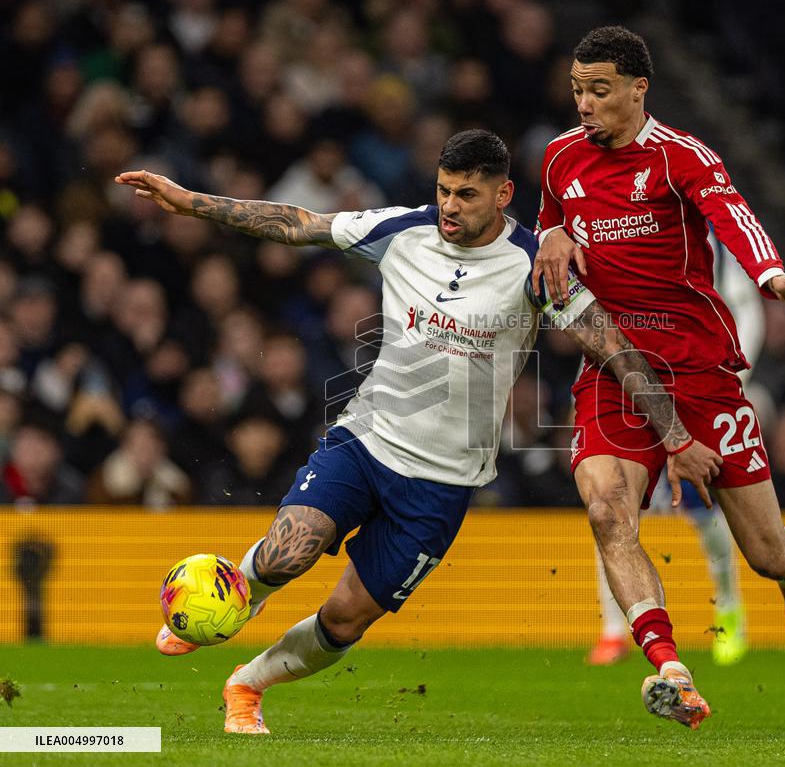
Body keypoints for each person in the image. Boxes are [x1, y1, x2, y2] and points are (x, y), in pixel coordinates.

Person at [115, 129, 722, 735]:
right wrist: (191, 200)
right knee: (288, 549)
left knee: (347, 619)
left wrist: (674, 436)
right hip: (368, 441)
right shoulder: (404, 229)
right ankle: (230, 600)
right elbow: (299, 222)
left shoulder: (535, 264)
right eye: (443, 191)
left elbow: (615, 348)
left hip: (443, 483)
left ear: (504, 194)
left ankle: (248, 683)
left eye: (466, 194)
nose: (450, 207)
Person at [532, 27, 785, 729]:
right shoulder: (559, 158)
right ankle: (670, 666)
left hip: (700, 373)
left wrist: (773, 276)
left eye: (599, 90)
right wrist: (548, 232)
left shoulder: (681, 156)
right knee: (606, 507)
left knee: (766, 554)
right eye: (577, 90)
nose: (584, 104)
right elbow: (551, 238)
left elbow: (732, 215)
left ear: (638, 89)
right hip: (615, 368)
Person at [587, 234, 761, 669]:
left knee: (704, 509)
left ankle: (728, 610)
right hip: (631, 387)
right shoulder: (618, 225)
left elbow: (745, 307)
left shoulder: (709, 236)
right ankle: (614, 628)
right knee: (610, 504)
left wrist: (730, 378)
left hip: (697, 387)